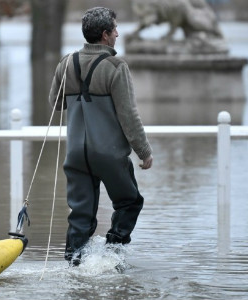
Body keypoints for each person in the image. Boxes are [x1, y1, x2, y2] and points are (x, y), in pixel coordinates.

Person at [48, 7, 154, 266]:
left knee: (81, 213)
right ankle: (112, 254)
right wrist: (144, 152)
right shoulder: (116, 67)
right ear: (105, 35)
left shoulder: (66, 63)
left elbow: (55, 103)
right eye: (115, 29)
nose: (118, 33)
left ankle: (74, 264)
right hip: (108, 154)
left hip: (75, 154)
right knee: (129, 202)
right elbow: (128, 116)